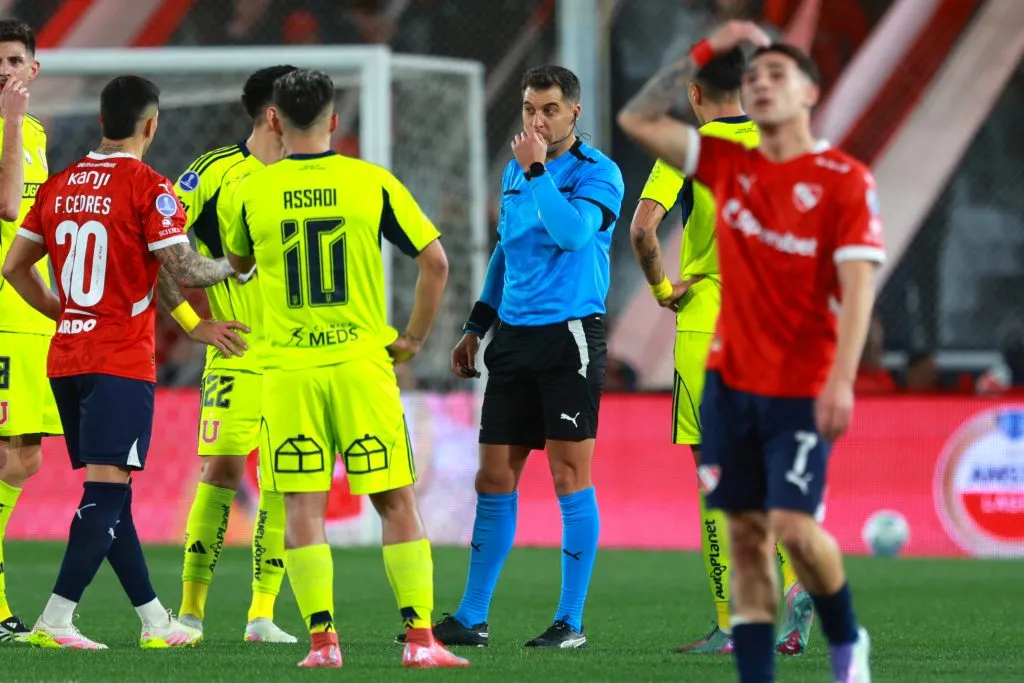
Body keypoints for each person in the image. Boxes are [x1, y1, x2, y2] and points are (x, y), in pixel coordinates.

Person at [618, 23, 882, 683]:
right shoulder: (718, 158)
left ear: (813, 93)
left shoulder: (843, 178)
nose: (763, 84)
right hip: (721, 357)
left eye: (778, 75)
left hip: (795, 362)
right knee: (738, 518)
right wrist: (707, 47)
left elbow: (858, 287)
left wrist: (843, 380)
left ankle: (840, 631)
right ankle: (747, 632)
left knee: (791, 523)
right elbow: (637, 116)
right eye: (754, 76)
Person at [223, 68, 468, 669]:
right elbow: (435, 263)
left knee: (302, 508)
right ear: (335, 120)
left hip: (288, 373)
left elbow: (237, 263)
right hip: (362, 364)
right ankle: (419, 642)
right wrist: (412, 338)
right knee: (396, 500)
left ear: (273, 120)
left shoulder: (249, 191)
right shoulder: (371, 181)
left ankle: (322, 643)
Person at [1, 74, 244, 650]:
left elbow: (14, 266)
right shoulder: (146, 185)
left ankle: (156, 621)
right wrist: (236, 262)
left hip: (67, 356)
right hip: (118, 360)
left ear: (101, 121)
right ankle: (56, 620)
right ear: (151, 125)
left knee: (111, 492)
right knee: (107, 493)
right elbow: (185, 269)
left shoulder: (57, 186)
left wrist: (63, 311)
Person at [417, 65, 624, 649]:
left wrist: (537, 170)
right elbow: (506, 252)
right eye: (531, 108)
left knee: (567, 475)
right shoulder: (515, 171)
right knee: (494, 476)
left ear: (574, 113)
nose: (537, 119)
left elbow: (573, 236)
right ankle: (472, 616)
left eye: (550, 109)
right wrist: (476, 326)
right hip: (512, 337)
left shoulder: (598, 173)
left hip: (570, 337)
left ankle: (571, 622)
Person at [628, 47, 813, 656]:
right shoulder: (783, 145)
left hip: (707, 324)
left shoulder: (693, 148)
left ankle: (734, 625)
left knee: (714, 477)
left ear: (695, 95)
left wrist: (662, 288)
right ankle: (795, 584)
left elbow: (643, 228)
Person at [173, 64, 298, 645]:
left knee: (282, 478)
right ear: (275, 112)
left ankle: (262, 615)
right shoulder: (213, 173)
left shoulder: (311, 173)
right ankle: (190, 614)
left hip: (299, 356)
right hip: (238, 350)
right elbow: (156, 245)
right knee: (222, 470)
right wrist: (193, 323)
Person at [0, 20, 56, 642]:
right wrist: (10, 121)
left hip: (29, 313)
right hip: (2, 317)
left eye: (15, 60)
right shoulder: (17, 129)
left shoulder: (38, 133)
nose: (5, 70)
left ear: (32, 69)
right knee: (9, 456)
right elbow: (11, 205)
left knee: (26, 456)